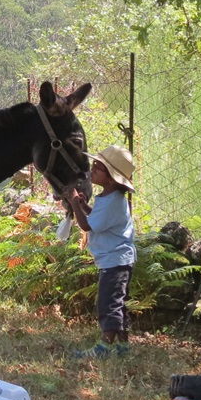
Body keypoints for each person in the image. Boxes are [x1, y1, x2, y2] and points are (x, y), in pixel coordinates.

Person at [67, 144, 137, 358]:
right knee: (117, 303)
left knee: (108, 303)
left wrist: (75, 204)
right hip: (117, 259)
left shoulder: (112, 202)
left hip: (115, 261)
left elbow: (87, 226)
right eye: (94, 164)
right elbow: (97, 218)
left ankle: (105, 346)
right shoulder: (109, 197)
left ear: (112, 178)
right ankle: (123, 346)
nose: (92, 170)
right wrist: (81, 204)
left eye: (99, 167)